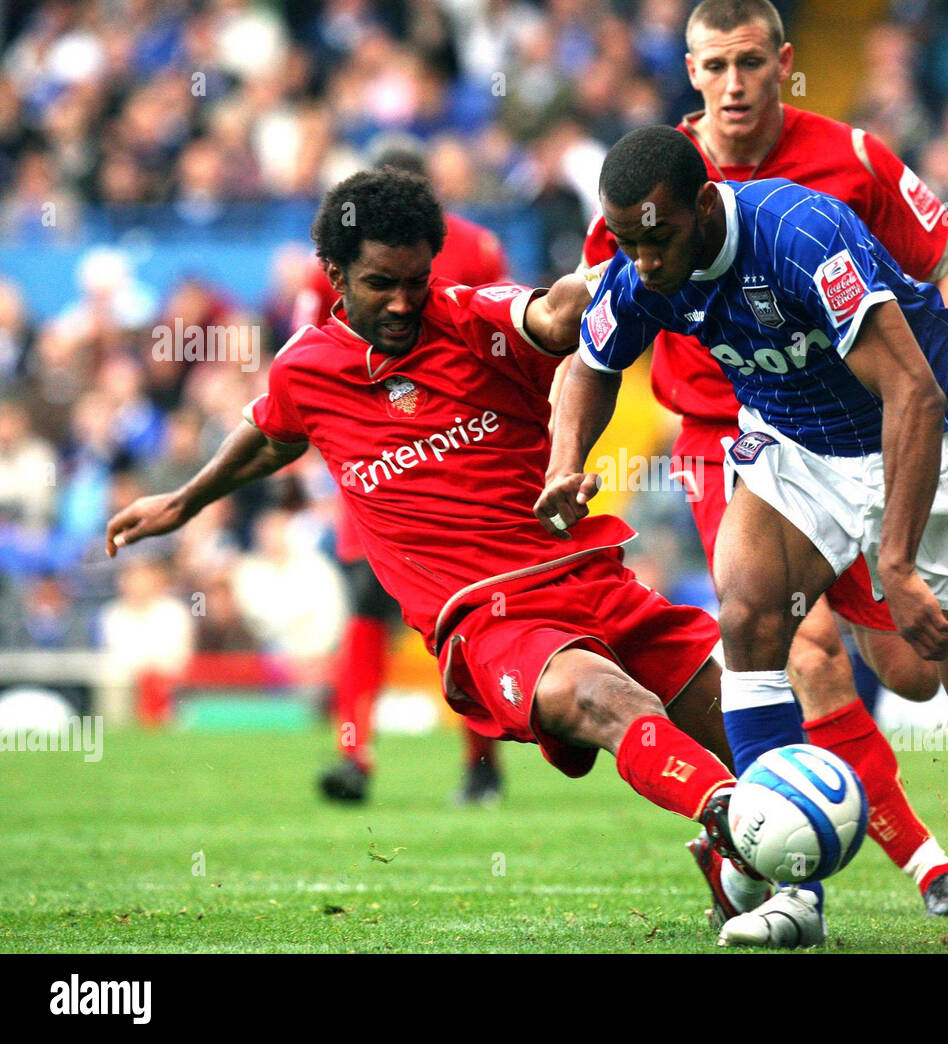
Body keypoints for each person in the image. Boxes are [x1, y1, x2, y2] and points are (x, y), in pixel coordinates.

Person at [106, 168, 756, 928]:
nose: (404, 302)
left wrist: (582, 290)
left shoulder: (470, 316)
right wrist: (186, 499)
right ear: (335, 276)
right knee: (604, 699)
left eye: (417, 280)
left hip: (589, 576)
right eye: (382, 283)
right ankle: (732, 818)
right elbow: (269, 432)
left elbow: (544, 320)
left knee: (754, 730)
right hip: (491, 619)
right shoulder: (308, 370)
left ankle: (746, 854)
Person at [538, 126, 948, 946]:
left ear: (706, 204)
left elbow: (912, 394)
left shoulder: (804, 236)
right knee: (747, 615)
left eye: (657, 239)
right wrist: (568, 461)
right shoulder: (644, 268)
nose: (645, 262)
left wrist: (897, 563)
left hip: (928, 437)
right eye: (628, 242)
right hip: (798, 446)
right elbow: (593, 363)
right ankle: (792, 892)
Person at [578, 0, 948, 924]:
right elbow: (599, 304)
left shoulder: (854, 158)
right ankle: (865, 873)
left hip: (853, 427)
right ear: (690, 71)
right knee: (797, 645)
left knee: (915, 672)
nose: (733, 85)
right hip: (728, 441)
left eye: (751, 63)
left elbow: (944, 261)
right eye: (714, 66)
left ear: (785, 63)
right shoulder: (653, 179)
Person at [299, 146, 511, 806]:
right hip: (384, 459)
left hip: (449, 453)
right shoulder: (479, 244)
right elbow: (319, 362)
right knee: (388, 606)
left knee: (450, 617)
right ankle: (362, 757)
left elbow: (496, 337)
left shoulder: (474, 250)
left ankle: (463, 759)